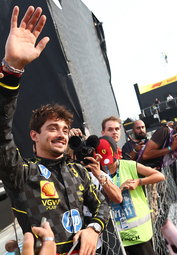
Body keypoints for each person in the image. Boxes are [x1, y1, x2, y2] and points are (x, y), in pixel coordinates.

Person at [0, 6, 110, 255]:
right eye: (52, 128)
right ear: (34, 135)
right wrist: (11, 71)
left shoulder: (79, 172)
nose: (62, 133)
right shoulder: (20, 172)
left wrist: (93, 228)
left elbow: (102, 204)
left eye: (65, 128)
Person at [93, 136, 165, 255]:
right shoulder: (97, 174)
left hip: (139, 234)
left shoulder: (129, 165)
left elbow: (160, 176)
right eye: (106, 162)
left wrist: (139, 182)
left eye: (112, 161)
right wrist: (119, 189)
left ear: (117, 153)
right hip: (116, 237)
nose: (110, 165)